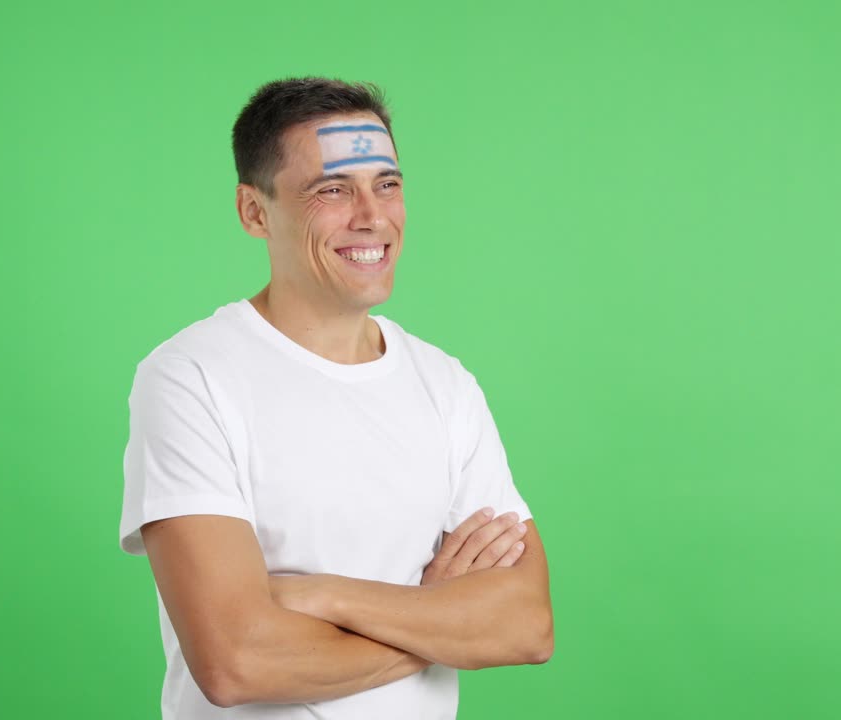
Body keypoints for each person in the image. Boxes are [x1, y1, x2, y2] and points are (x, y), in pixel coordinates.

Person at [118, 76, 553, 719]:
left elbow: (525, 625)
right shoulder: (191, 378)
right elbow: (235, 662)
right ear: (254, 211)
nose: (372, 215)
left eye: (388, 183)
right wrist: (435, 619)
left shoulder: (446, 385)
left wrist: (320, 596)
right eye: (332, 190)